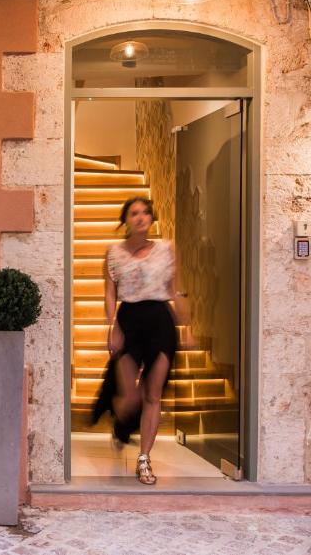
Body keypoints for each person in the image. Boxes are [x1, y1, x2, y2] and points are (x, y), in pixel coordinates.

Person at [92, 196, 189, 485]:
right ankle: (122, 424)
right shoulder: (113, 253)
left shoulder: (167, 250)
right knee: (130, 396)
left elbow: (176, 289)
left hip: (160, 321)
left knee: (152, 395)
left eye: (146, 213)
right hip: (129, 319)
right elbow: (110, 293)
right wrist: (112, 325)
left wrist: (188, 325)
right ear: (126, 220)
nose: (141, 217)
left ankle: (144, 459)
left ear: (151, 219)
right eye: (134, 213)